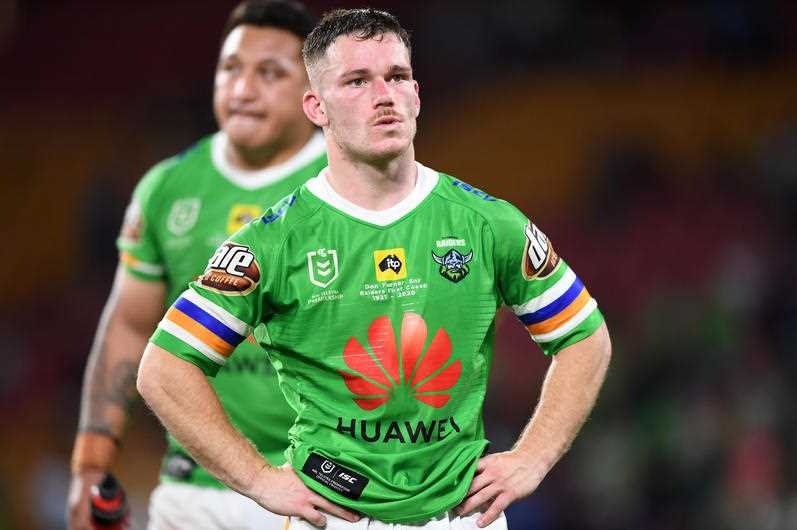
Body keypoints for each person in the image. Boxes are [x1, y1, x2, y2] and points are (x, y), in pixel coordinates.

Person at [137, 7, 612, 530]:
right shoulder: (272, 243)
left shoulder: (487, 223)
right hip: (334, 515)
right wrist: (258, 480)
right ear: (315, 107)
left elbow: (584, 338)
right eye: (357, 81)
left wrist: (533, 458)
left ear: (417, 94)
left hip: (462, 515)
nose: (384, 95)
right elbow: (164, 368)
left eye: (397, 77)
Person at [66, 2, 324, 529]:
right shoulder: (168, 187)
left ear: (313, 95)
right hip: (196, 489)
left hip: (323, 490)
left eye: (270, 72)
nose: (242, 88)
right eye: (231, 68)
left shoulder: (356, 183)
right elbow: (130, 327)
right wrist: (91, 464)